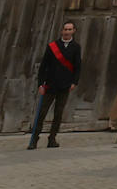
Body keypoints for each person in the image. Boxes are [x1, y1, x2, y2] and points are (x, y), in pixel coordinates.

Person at [28, 21, 82, 150]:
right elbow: (43, 66)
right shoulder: (53, 46)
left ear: (74, 31)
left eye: (69, 29)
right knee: (42, 113)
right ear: (62, 31)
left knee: (58, 113)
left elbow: (78, 66)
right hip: (50, 85)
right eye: (65, 29)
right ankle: (34, 139)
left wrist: (74, 82)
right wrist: (40, 84)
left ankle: (52, 138)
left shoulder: (76, 47)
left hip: (65, 85)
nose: (67, 32)